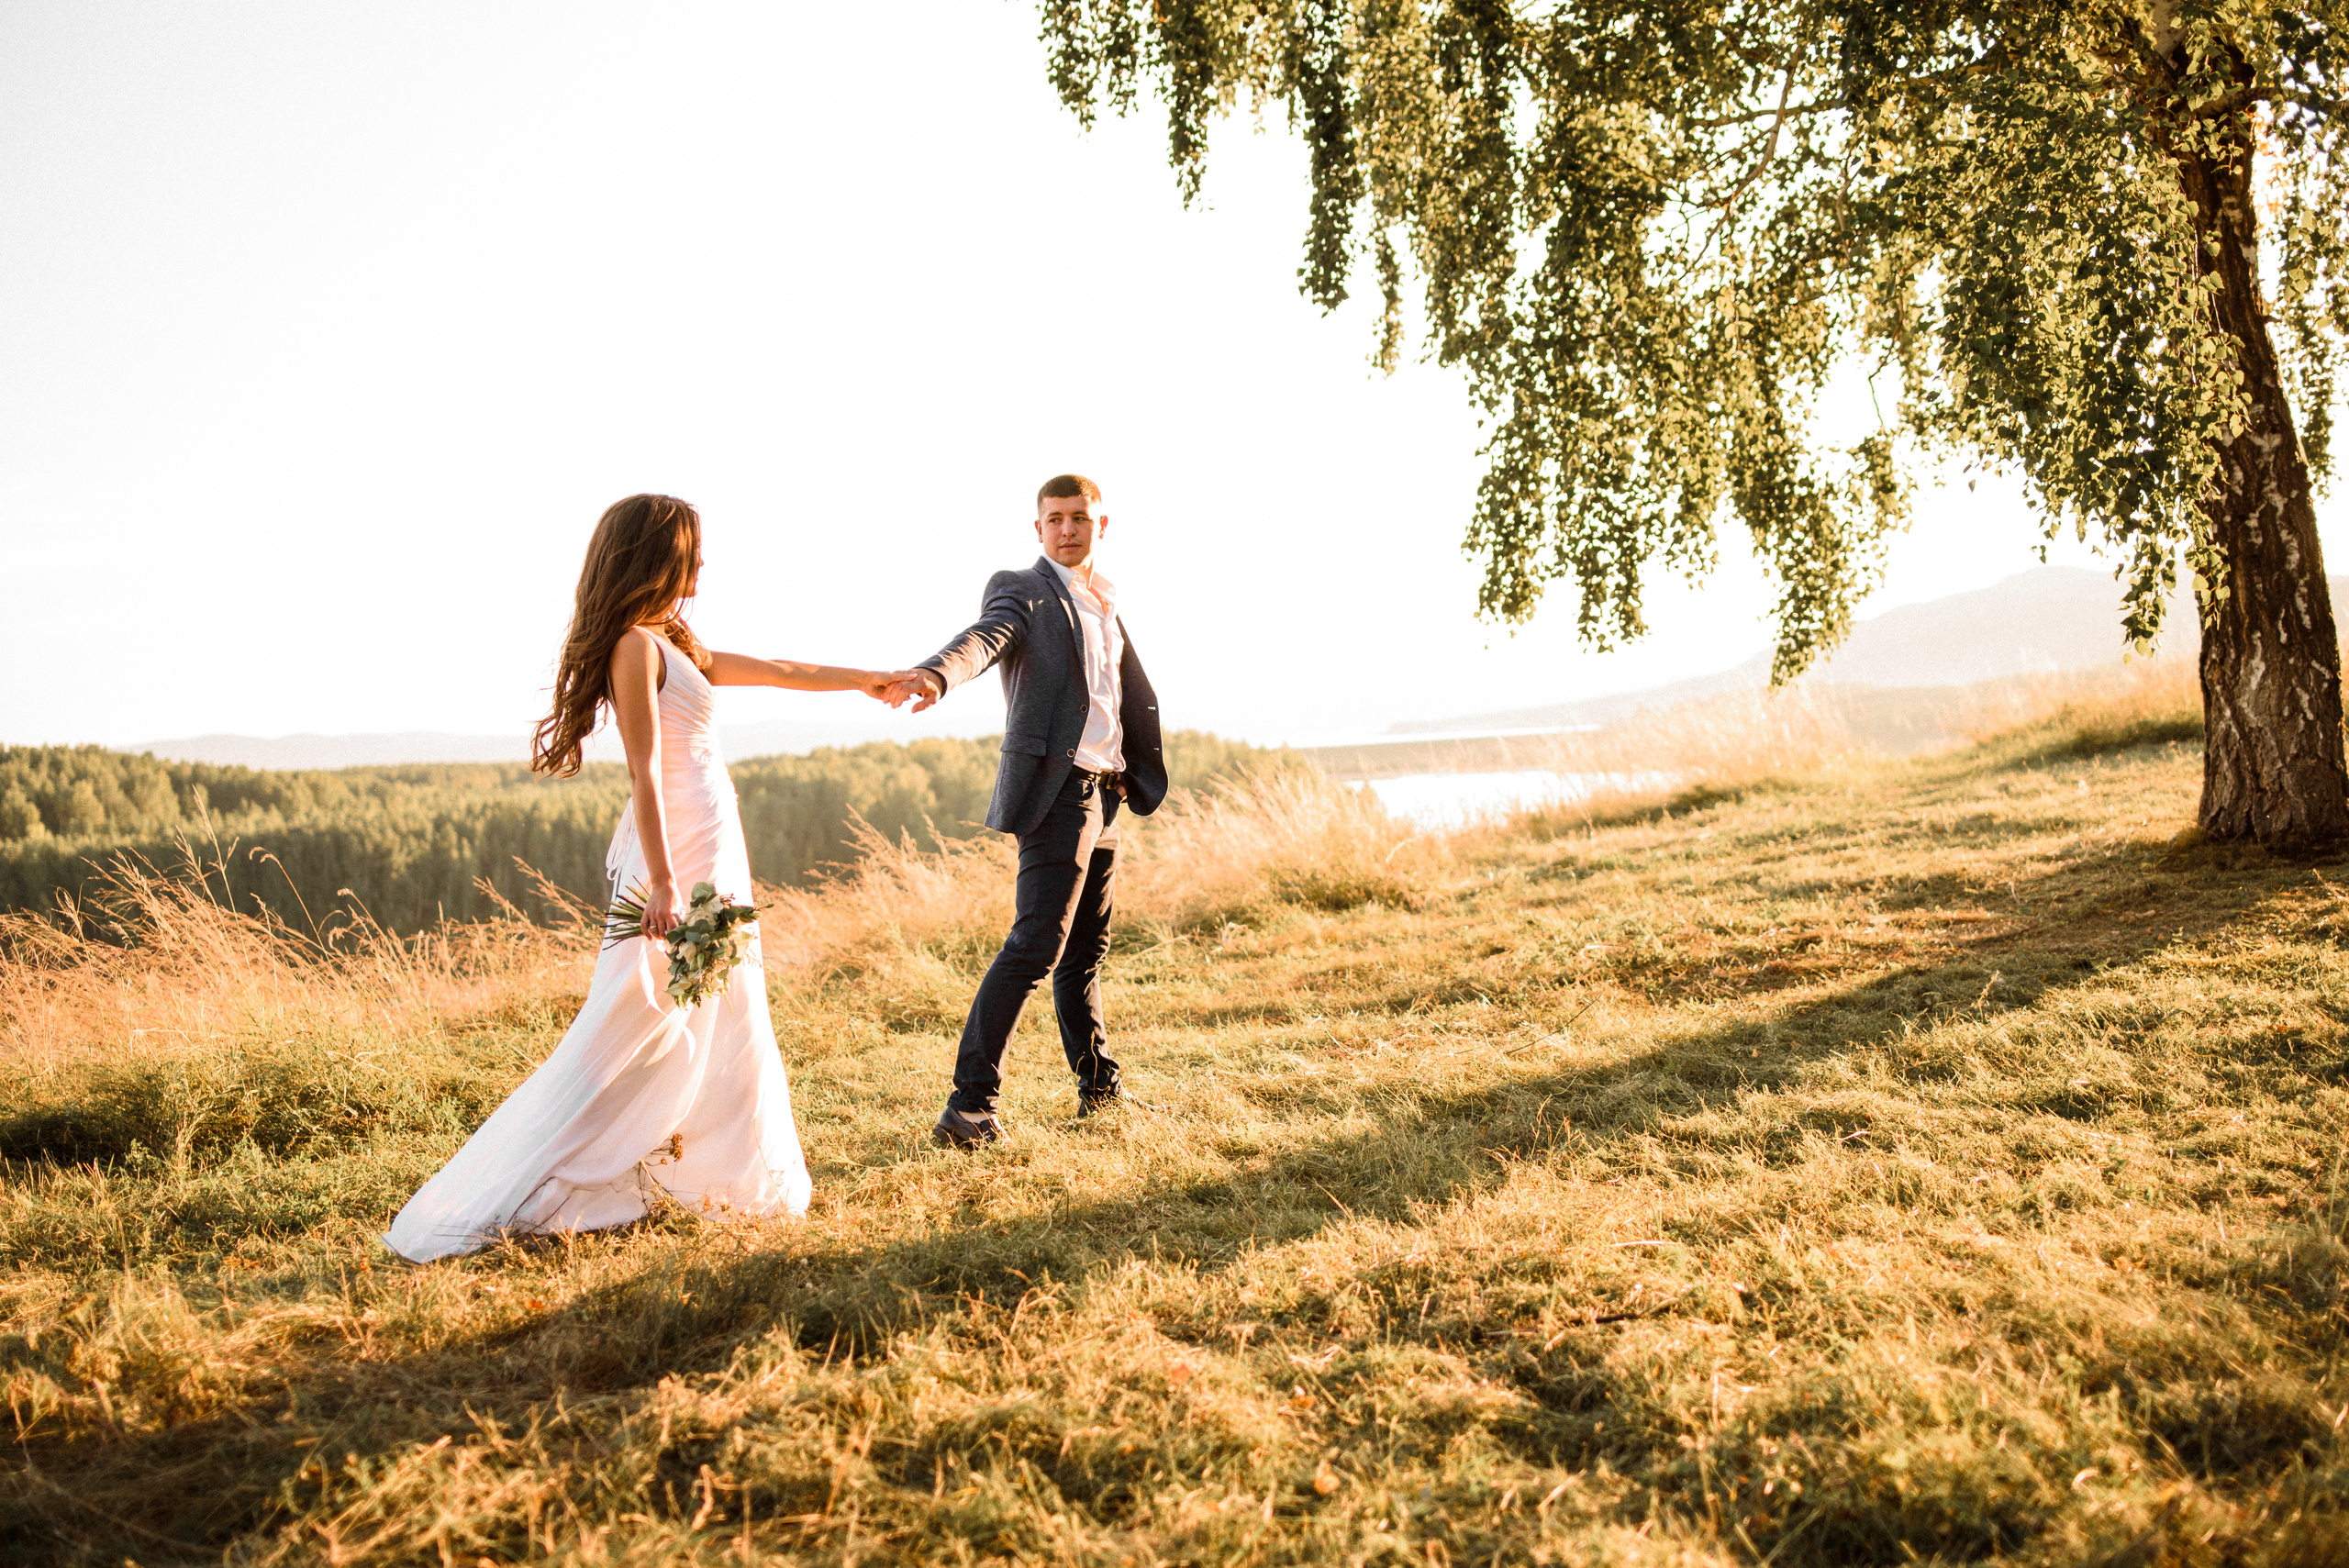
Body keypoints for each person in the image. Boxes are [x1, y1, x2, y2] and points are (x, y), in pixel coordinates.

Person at [385, 494, 904, 1262]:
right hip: (681, 850)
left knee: (723, 999)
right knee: (647, 1006)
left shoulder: (675, 640)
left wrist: (869, 679)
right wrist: (662, 881)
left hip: (713, 840)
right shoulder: (635, 647)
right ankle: (567, 1170)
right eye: (691, 549)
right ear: (655, 556)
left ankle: (711, 1168)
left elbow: (781, 670)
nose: (703, 562)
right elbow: (644, 772)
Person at [885, 473, 1167, 1148]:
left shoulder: (1105, 601)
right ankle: (969, 1109)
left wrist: (1124, 770)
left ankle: (1099, 1087)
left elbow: (1108, 695)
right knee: (1036, 944)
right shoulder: (1024, 589)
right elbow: (986, 637)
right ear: (1037, 528)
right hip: (1058, 792)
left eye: (1079, 517)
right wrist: (937, 673)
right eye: (1055, 518)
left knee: (1084, 953)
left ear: (1102, 525)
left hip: (1105, 792)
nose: (1067, 529)